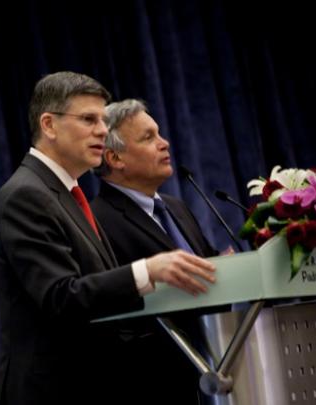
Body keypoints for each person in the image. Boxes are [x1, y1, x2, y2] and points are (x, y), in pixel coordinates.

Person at [0, 72, 216, 405]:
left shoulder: (65, 193)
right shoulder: (27, 195)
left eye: (103, 120)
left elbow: (98, 293)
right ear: (49, 125)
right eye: (88, 119)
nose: (102, 130)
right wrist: (147, 271)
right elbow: (61, 297)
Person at [91, 98, 218, 403]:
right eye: (149, 138)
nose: (165, 143)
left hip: (210, 371)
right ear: (115, 158)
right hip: (149, 385)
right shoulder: (96, 220)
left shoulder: (175, 207)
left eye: (159, 134)